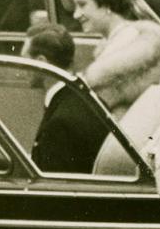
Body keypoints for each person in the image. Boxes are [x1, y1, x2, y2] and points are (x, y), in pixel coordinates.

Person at [23, 22, 111, 174]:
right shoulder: (85, 98)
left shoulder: (60, 123)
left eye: (25, 60)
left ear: (41, 63)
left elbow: (50, 183)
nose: (21, 69)